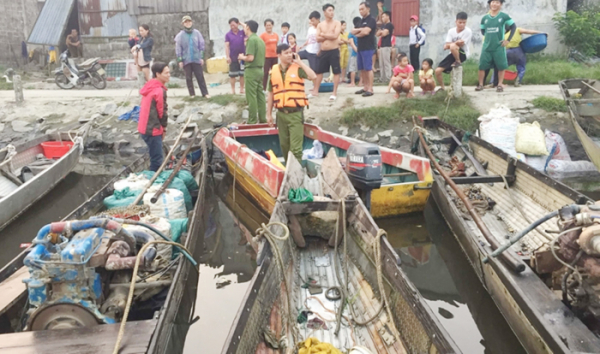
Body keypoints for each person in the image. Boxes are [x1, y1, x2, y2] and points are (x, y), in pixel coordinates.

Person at [267, 44, 317, 163]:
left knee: (295, 149)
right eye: (286, 53)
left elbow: (313, 76)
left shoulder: (298, 68)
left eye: (290, 52)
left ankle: (296, 174)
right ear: (279, 55)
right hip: (281, 115)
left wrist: (300, 62)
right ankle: (288, 171)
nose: (289, 55)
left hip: (295, 114)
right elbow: (271, 93)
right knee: (284, 147)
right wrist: (268, 114)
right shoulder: (273, 71)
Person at [477, 0, 516, 92]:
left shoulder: (504, 16)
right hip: (487, 46)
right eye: (493, 2)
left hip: (499, 46)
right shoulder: (484, 18)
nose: (494, 4)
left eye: (497, 2)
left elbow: (513, 27)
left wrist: (508, 40)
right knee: (482, 66)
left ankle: (499, 84)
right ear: (490, 4)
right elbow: (483, 31)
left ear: (501, 5)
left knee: (501, 66)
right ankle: (480, 85)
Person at [138, 62, 170, 172]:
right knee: (157, 159)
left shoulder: (150, 86)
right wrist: (164, 128)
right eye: (166, 73)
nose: (168, 75)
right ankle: (154, 182)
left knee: (154, 156)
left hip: (144, 127)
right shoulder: (159, 91)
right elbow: (162, 112)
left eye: (169, 72)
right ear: (158, 74)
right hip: (152, 129)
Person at [435, 12, 472, 92]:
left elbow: (460, 44)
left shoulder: (468, 31)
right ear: (456, 22)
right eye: (460, 22)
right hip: (452, 53)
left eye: (464, 23)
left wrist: (450, 45)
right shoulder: (451, 31)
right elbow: (447, 44)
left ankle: (458, 61)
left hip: (463, 53)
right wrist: (453, 44)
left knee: (452, 46)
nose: (462, 24)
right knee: (437, 71)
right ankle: (442, 87)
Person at [239, 20, 266, 124]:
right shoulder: (260, 40)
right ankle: (263, 119)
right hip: (260, 70)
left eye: (245, 27)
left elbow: (250, 58)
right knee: (260, 96)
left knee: (251, 97)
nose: (243, 29)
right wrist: (241, 23)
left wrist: (242, 57)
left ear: (248, 27)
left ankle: (252, 120)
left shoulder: (251, 40)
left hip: (251, 70)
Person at [176, 16, 210, 98]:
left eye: (189, 21)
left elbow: (201, 45)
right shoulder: (180, 35)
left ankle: (205, 93)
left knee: (200, 76)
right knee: (188, 77)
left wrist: (201, 57)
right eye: (186, 22)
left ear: (192, 22)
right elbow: (178, 48)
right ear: (183, 24)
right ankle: (192, 94)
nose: (188, 23)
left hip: (196, 58)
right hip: (186, 59)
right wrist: (180, 60)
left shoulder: (197, 33)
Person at [314, 3, 342, 100]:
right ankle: (315, 91)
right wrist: (328, 35)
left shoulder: (337, 23)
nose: (332, 12)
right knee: (319, 71)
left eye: (332, 10)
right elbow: (317, 38)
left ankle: (334, 92)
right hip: (324, 51)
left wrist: (324, 35)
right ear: (324, 12)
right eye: (329, 10)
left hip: (334, 50)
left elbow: (335, 36)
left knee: (336, 71)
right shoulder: (320, 25)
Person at [352, 2, 377, 97]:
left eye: (362, 9)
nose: (361, 11)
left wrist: (360, 31)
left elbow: (366, 32)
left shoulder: (371, 20)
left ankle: (370, 88)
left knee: (368, 68)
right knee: (362, 69)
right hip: (360, 48)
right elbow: (353, 31)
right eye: (359, 9)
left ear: (368, 9)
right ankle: (365, 87)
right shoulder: (361, 20)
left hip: (368, 48)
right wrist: (360, 31)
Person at [298, 11, 321, 93]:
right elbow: (308, 40)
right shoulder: (310, 29)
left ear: (318, 19)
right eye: (311, 20)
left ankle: (315, 88)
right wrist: (302, 46)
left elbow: (323, 41)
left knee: (314, 71)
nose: (312, 22)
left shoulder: (321, 28)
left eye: (313, 20)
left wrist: (320, 51)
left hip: (314, 53)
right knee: (295, 56)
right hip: (307, 50)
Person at [225, 18, 246, 95]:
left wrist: (241, 23)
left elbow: (247, 28)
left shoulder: (242, 32)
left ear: (237, 24)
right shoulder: (228, 35)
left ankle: (241, 89)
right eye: (231, 25)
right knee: (232, 75)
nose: (232, 26)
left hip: (242, 57)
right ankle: (233, 90)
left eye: (234, 24)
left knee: (242, 74)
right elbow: (227, 46)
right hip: (233, 57)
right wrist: (227, 57)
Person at [260, 19, 279, 90]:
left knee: (275, 73)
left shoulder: (276, 35)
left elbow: (276, 45)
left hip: (275, 56)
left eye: (270, 25)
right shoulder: (262, 35)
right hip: (266, 57)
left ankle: (274, 87)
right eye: (267, 25)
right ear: (265, 26)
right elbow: (260, 45)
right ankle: (264, 88)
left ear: (272, 25)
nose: (268, 27)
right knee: (265, 73)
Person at [377, 11, 394, 83]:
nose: (382, 18)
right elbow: (377, 34)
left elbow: (384, 34)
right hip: (382, 45)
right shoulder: (383, 26)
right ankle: (382, 77)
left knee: (386, 62)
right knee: (381, 62)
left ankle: (388, 77)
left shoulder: (390, 25)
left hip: (387, 45)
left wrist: (382, 32)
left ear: (388, 16)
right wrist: (381, 32)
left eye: (384, 16)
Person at [347, 17, 361, 87]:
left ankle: (352, 82)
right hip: (362, 52)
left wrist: (356, 50)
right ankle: (361, 83)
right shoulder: (362, 31)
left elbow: (351, 43)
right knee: (362, 68)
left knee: (353, 68)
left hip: (354, 53)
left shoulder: (351, 33)